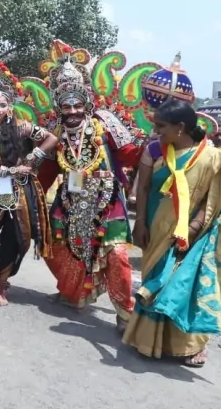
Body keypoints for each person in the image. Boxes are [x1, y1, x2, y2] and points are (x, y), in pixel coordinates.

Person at [123, 99, 221, 367]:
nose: (156, 132)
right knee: (155, 280)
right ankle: (148, 339)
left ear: (180, 127)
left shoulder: (212, 157)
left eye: (161, 127)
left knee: (182, 286)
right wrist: (139, 222)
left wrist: (194, 227)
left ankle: (188, 346)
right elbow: (142, 189)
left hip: (190, 232)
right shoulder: (154, 150)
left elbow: (216, 198)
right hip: (154, 226)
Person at [38, 47, 141, 330]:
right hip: (69, 200)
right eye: (66, 106)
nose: (72, 112)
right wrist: (31, 199)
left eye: (77, 105)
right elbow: (46, 171)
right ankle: (74, 292)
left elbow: (131, 153)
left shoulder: (105, 123)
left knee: (117, 255)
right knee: (52, 243)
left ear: (87, 103)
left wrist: (153, 146)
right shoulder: (54, 132)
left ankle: (124, 313)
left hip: (107, 200)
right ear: (58, 106)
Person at [0, 61, 57, 306]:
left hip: (20, 192)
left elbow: (51, 138)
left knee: (16, 239)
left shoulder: (21, 127)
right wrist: (11, 169)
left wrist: (33, 156)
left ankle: (2, 286)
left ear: (10, 106)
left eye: (3, 104)